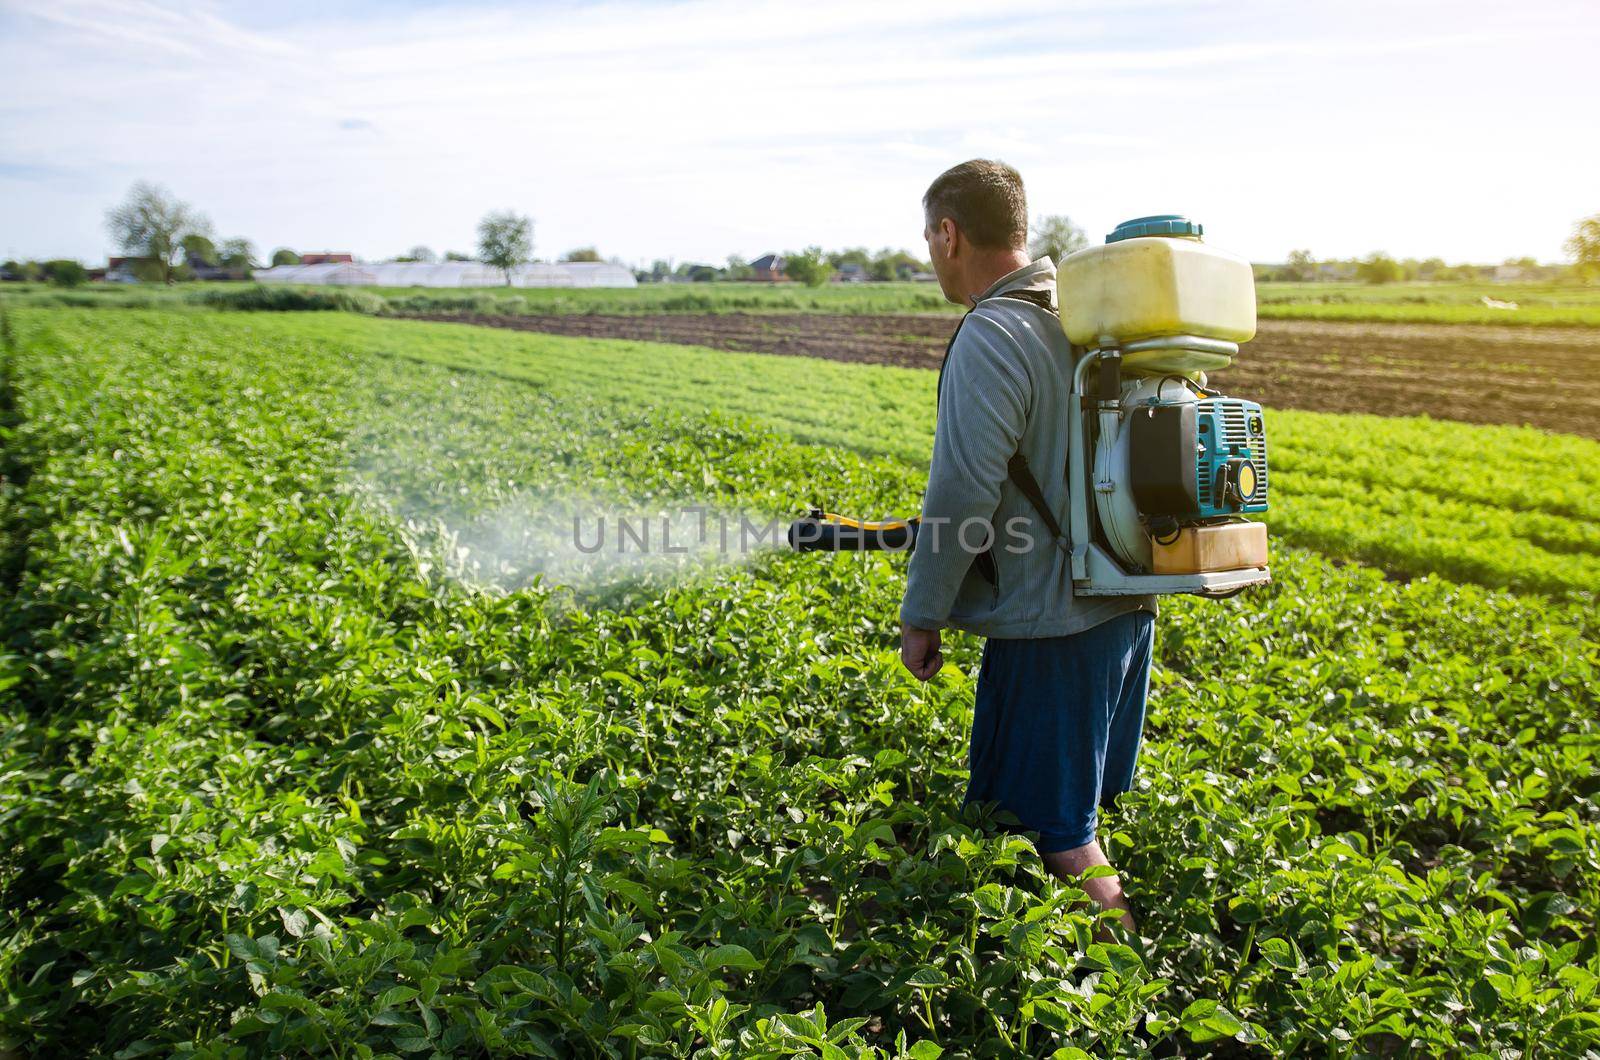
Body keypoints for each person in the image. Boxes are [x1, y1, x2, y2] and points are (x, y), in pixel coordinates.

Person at [899, 159, 1156, 932]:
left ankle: (1130, 1001)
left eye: (927, 236)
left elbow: (964, 493)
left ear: (950, 233)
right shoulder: (1082, 319)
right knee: (1044, 814)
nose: (928, 252)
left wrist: (923, 612)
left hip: (1054, 625)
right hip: (1121, 601)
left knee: (1065, 838)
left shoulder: (994, 331)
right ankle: (1053, 987)